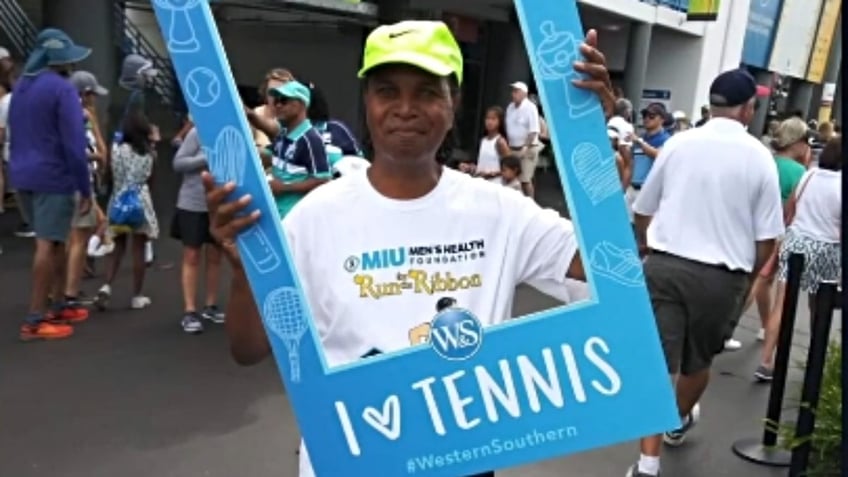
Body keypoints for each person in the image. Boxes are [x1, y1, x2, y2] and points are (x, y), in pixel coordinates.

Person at [204, 20, 614, 477]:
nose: (405, 108)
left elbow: (608, 274)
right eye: (387, 91)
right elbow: (249, 347)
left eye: (426, 92)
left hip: (462, 460)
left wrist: (600, 183)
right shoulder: (313, 217)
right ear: (367, 102)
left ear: (453, 102)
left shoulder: (501, 211)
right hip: (350, 458)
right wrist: (243, 274)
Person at [627, 69, 784, 477]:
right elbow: (767, 239)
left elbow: (643, 210)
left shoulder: (679, 144)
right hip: (721, 277)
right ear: (748, 108)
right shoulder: (758, 157)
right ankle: (675, 420)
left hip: (664, 265)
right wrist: (749, 275)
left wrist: (648, 243)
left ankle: (648, 463)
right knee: (697, 364)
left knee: (658, 364)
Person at [10, 29, 93, 341]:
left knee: (53, 240)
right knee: (47, 243)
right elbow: (74, 144)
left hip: (22, 174)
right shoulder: (63, 90)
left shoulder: (20, 87)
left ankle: (58, 305)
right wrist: (85, 188)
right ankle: (35, 318)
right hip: (53, 175)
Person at [756, 136, 841, 381]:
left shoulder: (808, 175)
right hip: (827, 248)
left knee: (781, 304)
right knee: (819, 305)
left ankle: (766, 361)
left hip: (796, 242)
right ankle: (816, 360)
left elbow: (789, 211)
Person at [730, 117, 810, 348]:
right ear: (796, 141)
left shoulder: (767, 161)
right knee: (759, 281)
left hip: (752, 226)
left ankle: (765, 325)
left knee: (761, 280)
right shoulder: (798, 172)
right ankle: (727, 326)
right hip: (779, 232)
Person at [94, 114, 159, 311]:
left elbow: (109, 175)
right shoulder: (148, 154)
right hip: (140, 202)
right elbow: (151, 180)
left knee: (117, 247)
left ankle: (106, 285)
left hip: (118, 200)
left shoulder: (116, 150)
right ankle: (137, 296)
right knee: (138, 251)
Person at [247, 80, 331, 219]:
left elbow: (323, 180)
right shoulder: (283, 133)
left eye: (284, 100)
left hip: (293, 216)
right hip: (275, 212)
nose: (277, 105)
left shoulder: (311, 139)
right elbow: (271, 156)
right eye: (276, 101)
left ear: (301, 104)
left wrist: (284, 187)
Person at [171, 126, 226, 334]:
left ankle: (210, 306)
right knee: (192, 254)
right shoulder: (198, 132)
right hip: (192, 203)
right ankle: (189, 311)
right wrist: (206, 157)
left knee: (215, 255)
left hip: (219, 202)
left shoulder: (231, 131)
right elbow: (178, 162)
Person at [64, 70, 110, 307]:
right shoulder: (77, 116)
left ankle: (66, 288)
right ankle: (70, 293)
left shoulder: (80, 115)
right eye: (92, 94)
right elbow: (76, 150)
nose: (94, 99)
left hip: (80, 181)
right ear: (83, 94)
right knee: (78, 238)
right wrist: (97, 157)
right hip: (80, 182)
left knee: (76, 236)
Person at [505, 81, 543, 198]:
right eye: (513, 91)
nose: (513, 94)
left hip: (527, 148)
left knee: (525, 179)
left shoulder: (530, 108)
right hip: (513, 147)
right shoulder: (510, 107)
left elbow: (533, 131)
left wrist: (525, 148)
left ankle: (530, 203)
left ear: (524, 94)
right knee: (511, 177)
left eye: (516, 91)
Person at [252, 68, 294, 149]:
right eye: (272, 92)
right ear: (265, 93)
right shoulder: (256, 113)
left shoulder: (292, 120)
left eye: (282, 92)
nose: (276, 97)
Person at [475, 106, 511, 182]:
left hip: (494, 184)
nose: (489, 122)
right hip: (480, 182)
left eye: (493, 119)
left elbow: (509, 168)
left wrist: (491, 174)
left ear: (500, 121)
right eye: (487, 118)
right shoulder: (483, 140)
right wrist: (470, 167)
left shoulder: (500, 142)